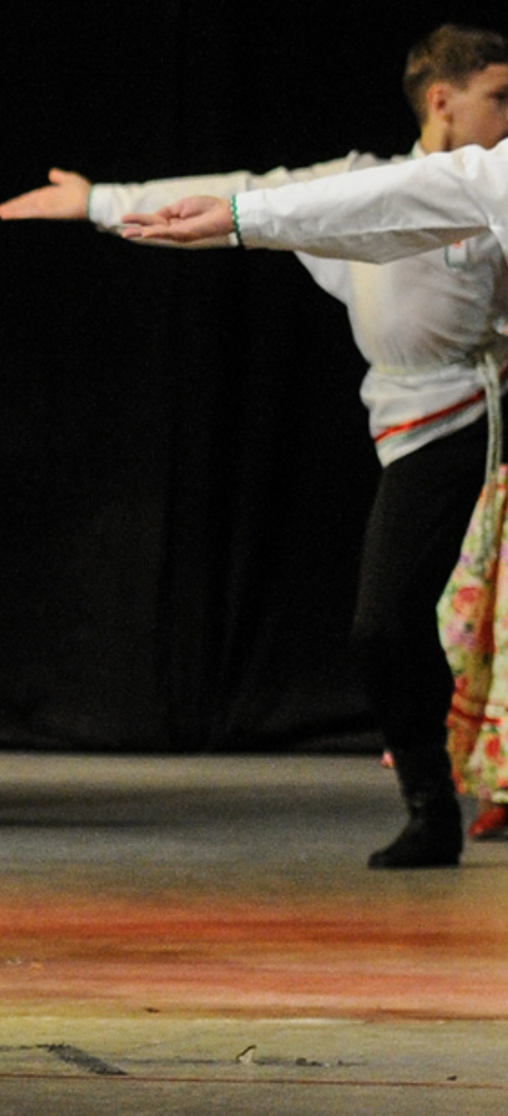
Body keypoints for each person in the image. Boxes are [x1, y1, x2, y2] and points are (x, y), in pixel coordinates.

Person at [121, 63, 508, 866]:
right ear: (441, 96)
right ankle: (430, 799)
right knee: (387, 623)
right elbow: (362, 204)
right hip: (429, 420)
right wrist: (123, 204)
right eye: (497, 95)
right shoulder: (437, 181)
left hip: (483, 408)